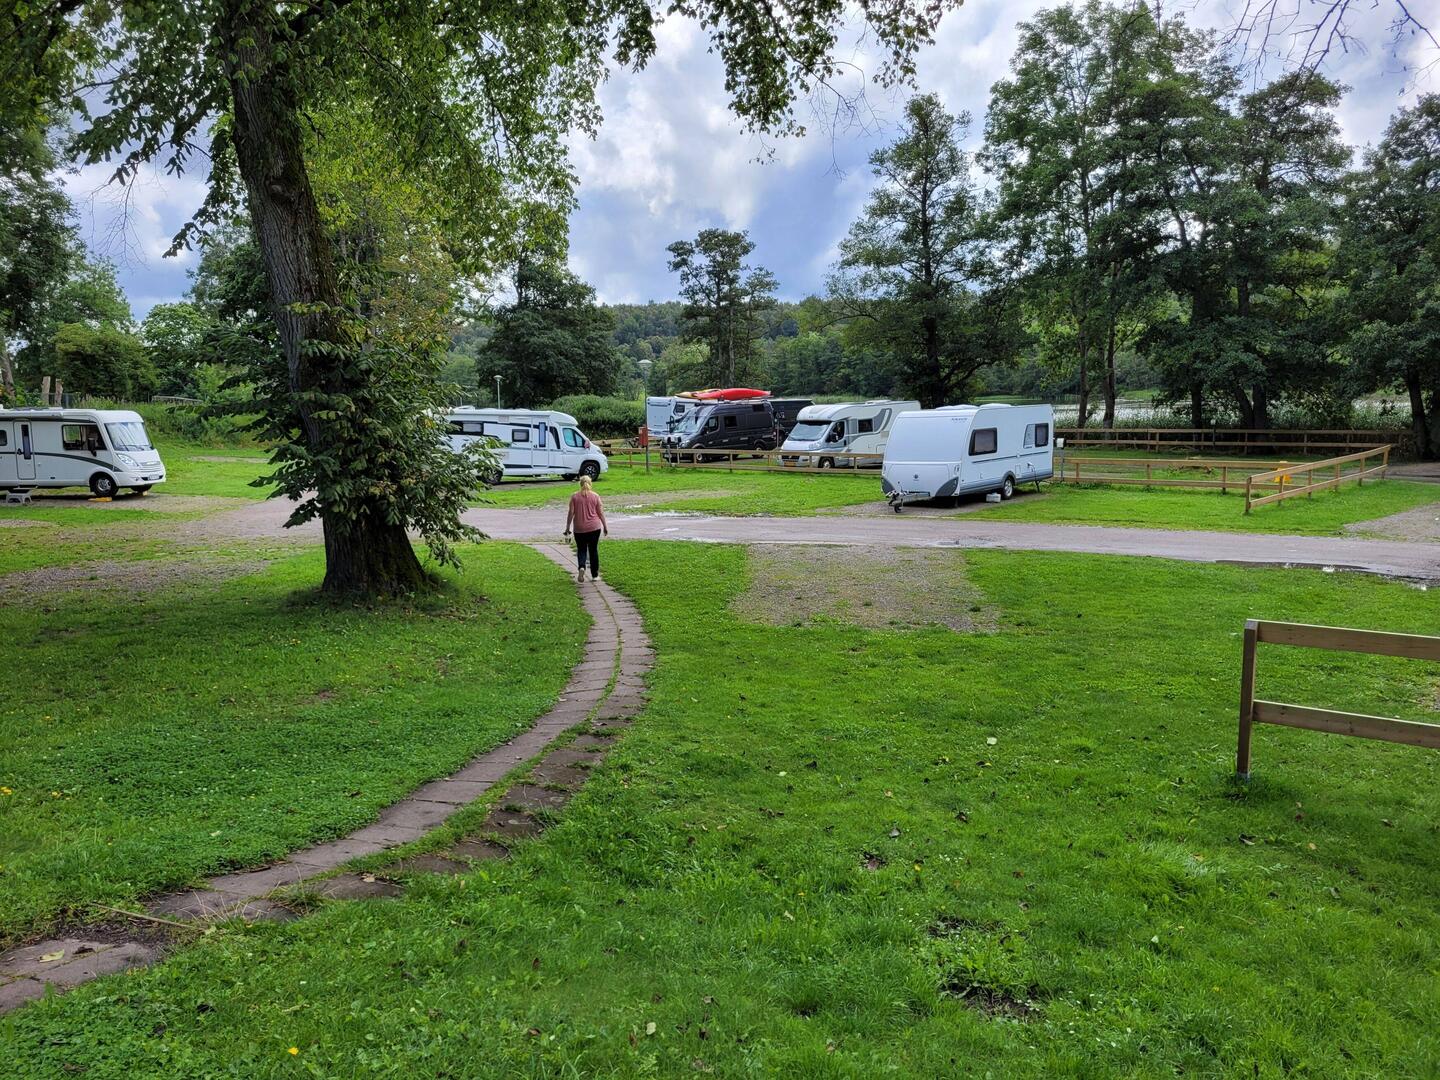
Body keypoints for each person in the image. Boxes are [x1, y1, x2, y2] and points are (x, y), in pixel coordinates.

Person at [563, 474, 608, 583]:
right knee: (593, 550)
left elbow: (571, 513)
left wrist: (567, 527)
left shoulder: (574, 497)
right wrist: (605, 526)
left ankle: (582, 567)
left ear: (580, 484)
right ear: (590, 483)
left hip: (579, 529)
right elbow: (600, 513)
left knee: (581, 549)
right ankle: (595, 575)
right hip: (594, 527)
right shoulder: (596, 496)